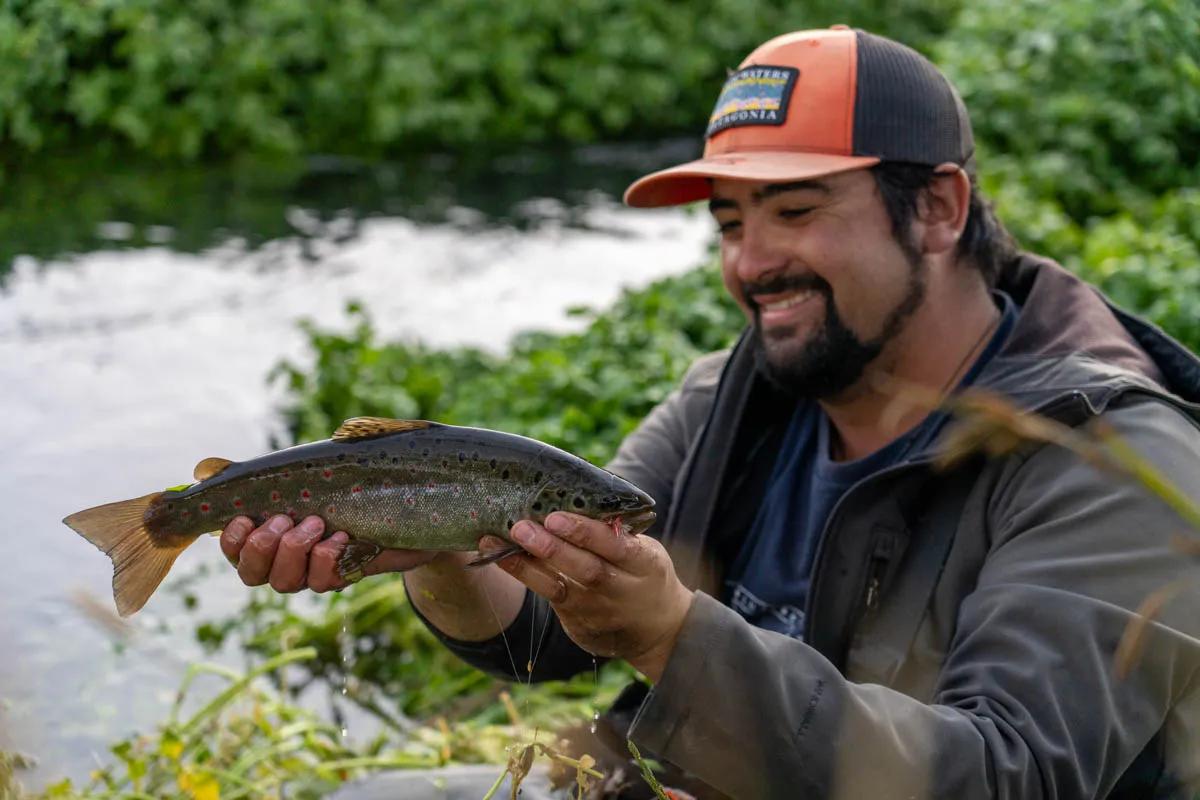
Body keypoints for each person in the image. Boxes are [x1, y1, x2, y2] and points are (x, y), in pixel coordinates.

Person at [220, 26, 1200, 799]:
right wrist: (434, 546)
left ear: (939, 208)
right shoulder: (735, 396)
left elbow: (1007, 775)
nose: (750, 261)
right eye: (730, 221)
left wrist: (671, 638)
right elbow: (544, 636)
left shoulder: (1119, 457)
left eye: (796, 209)